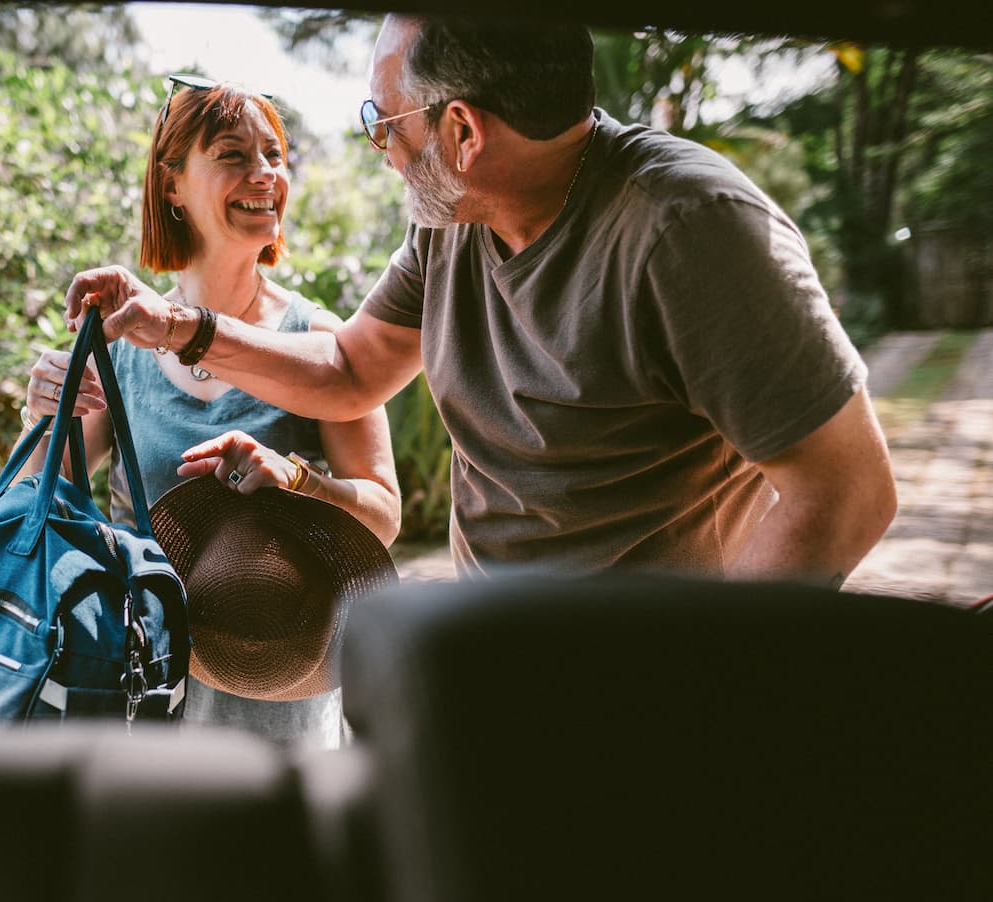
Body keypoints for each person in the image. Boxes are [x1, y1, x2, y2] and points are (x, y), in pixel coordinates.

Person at [62, 14, 898, 588]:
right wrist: (183, 328)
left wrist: (712, 672)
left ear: (462, 132)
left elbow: (847, 491)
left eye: (383, 121)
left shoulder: (690, 229)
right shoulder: (452, 219)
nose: (379, 147)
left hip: (647, 679)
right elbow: (351, 368)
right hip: (503, 657)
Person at [19, 75, 401, 749]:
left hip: (278, 690)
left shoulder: (319, 343)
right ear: (171, 184)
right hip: (140, 680)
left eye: (275, 156)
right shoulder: (122, 345)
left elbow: (383, 514)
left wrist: (296, 480)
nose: (266, 175)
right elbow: (37, 506)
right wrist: (39, 417)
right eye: (234, 154)